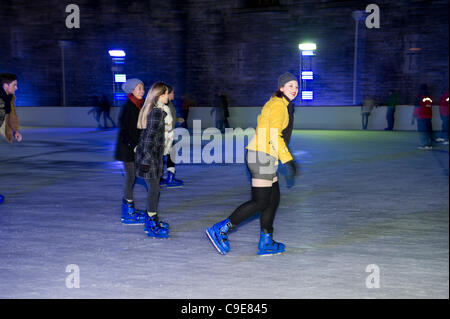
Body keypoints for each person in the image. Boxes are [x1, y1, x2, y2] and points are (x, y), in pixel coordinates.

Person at [206, 72, 299, 256]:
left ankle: (266, 240)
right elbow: (274, 135)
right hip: (261, 156)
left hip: (266, 155)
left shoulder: (281, 104)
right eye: (290, 86)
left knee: (273, 198)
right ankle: (220, 229)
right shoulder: (278, 106)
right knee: (261, 201)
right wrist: (288, 159)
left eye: (296, 86)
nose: (294, 89)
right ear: (281, 88)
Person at [136, 82, 171, 238]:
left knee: (154, 189)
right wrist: (146, 160)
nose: (168, 96)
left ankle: (152, 218)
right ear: (159, 95)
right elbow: (149, 138)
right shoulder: (156, 112)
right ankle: (151, 222)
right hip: (150, 159)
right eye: (165, 93)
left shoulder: (155, 110)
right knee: (154, 190)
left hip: (152, 157)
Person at [114, 78, 148, 224]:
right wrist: (133, 145)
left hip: (135, 148)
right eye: (139, 88)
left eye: (143, 88)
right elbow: (125, 130)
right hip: (128, 149)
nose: (142, 91)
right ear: (131, 90)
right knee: (131, 177)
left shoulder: (139, 105)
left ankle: (129, 208)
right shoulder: (129, 107)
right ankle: (128, 211)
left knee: (133, 177)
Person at [0, 73, 23, 204]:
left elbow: (11, 115)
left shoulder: (8, 98)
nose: (17, 88)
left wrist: (16, 131)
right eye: (14, 85)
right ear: (5, 85)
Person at [160, 84, 184, 188]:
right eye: (172, 92)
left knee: (166, 156)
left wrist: (177, 119)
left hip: (168, 134)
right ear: (167, 94)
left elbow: (171, 118)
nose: (174, 94)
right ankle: (169, 178)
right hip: (165, 135)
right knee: (170, 155)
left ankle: (162, 178)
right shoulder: (165, 105)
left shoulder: (170, 104)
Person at [412, 84, 433, 149]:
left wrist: (413, 117)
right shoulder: (429, 96)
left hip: (421, 116)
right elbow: (429, 106)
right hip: (428, 115)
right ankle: (429, 144)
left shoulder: (419, 96)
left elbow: (417, 107)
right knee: (427, 129)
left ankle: (424, 144)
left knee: (422, 130)